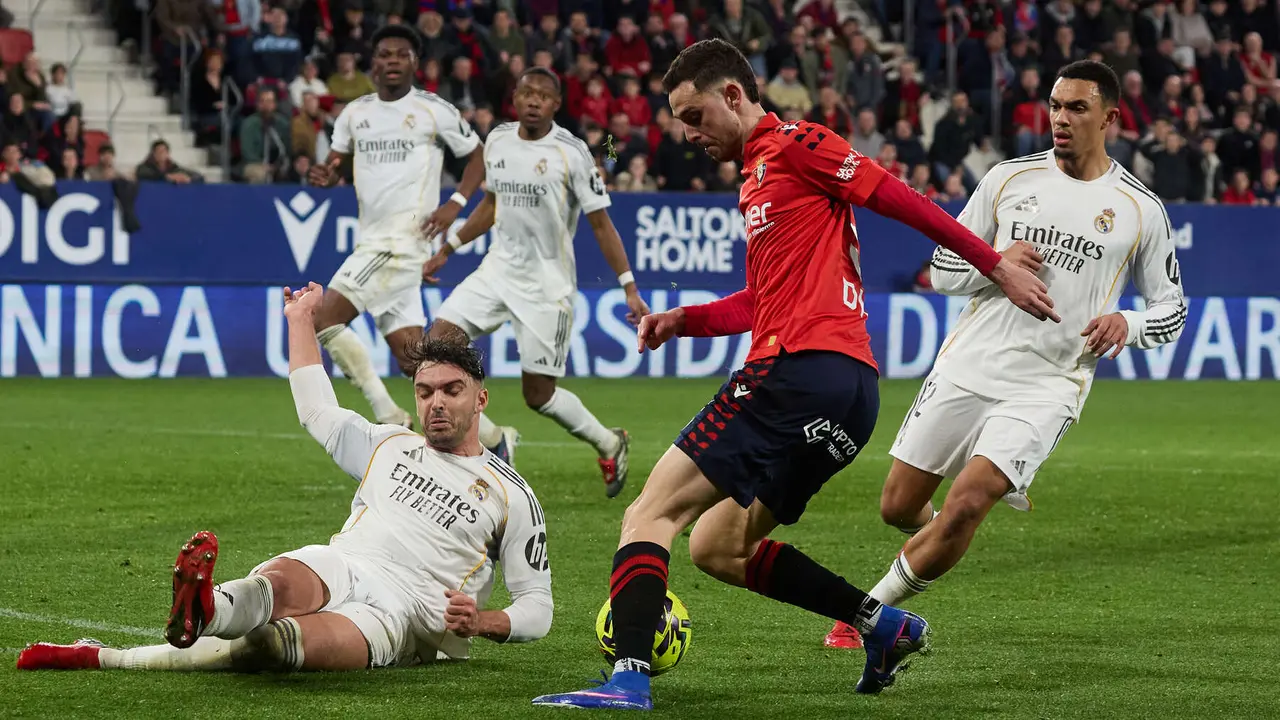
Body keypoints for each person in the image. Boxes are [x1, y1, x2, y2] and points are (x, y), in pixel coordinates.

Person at [532, 39, 1055, 711]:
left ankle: (628, 677)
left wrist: (994, 264)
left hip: (795, 371)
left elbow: (895, 196)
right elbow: (761, 300)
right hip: (849, 396)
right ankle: (884, 625)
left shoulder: (797, 143)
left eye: (694, 117)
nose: (689, 135)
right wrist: (682, 320)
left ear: (732, 95)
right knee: (719, 547)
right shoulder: (757, 180)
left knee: (649, 511)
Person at [823, 61, 1186, 650]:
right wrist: (995, 260)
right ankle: (939, 541)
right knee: (897, 506)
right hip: (969, 365)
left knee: (969, 502)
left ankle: (871, 612)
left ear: (1111, 118)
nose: (1060, 119)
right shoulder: (1007, 179)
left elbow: (1172, 310)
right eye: (1055, 106)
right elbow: (940, 271)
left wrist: (1129, 321)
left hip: (1050, 385)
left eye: (1076, 109)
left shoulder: (1141, 209)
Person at [17, 282, 553, 672]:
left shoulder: (513, 496)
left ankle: (108, 654)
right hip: (345, 562)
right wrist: (301, 321)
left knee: (276, 646)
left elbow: (538, 606)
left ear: (480, 398)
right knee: (276, 585)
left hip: (406, 612)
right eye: (424, 391)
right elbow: (318, 411)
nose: (435, 403)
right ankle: (205, 608)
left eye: (451, 391)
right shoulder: (391, 443)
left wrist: (485, 623)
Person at [420, 67, 649, 492]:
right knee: (437, 343)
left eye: (543, 95)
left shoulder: (573, 153)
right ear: (515, 97)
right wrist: (448, 249)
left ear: (555, 105)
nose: (533, 100)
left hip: (547, 287)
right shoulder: (500, 141)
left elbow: (601, 225)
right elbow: (491, 205)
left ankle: (609, 442)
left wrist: (629, 286)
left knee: (538, 394)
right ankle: (492, 438)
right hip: (497, 270)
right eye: (526, 92)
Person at [308, 25, 485, 430]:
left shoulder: (433, 110)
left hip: (404, 239)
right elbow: (336, 163)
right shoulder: (355, 114)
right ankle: (493, 436)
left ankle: (387, 413)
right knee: (414, 359)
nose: (392, 61)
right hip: (373, 237)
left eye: (401, 54)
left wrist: (454, 204)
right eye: (384, 54)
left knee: (322, 319)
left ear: (414, 63)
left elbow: (478, 155)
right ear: (373, 63)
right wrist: (326, 173)